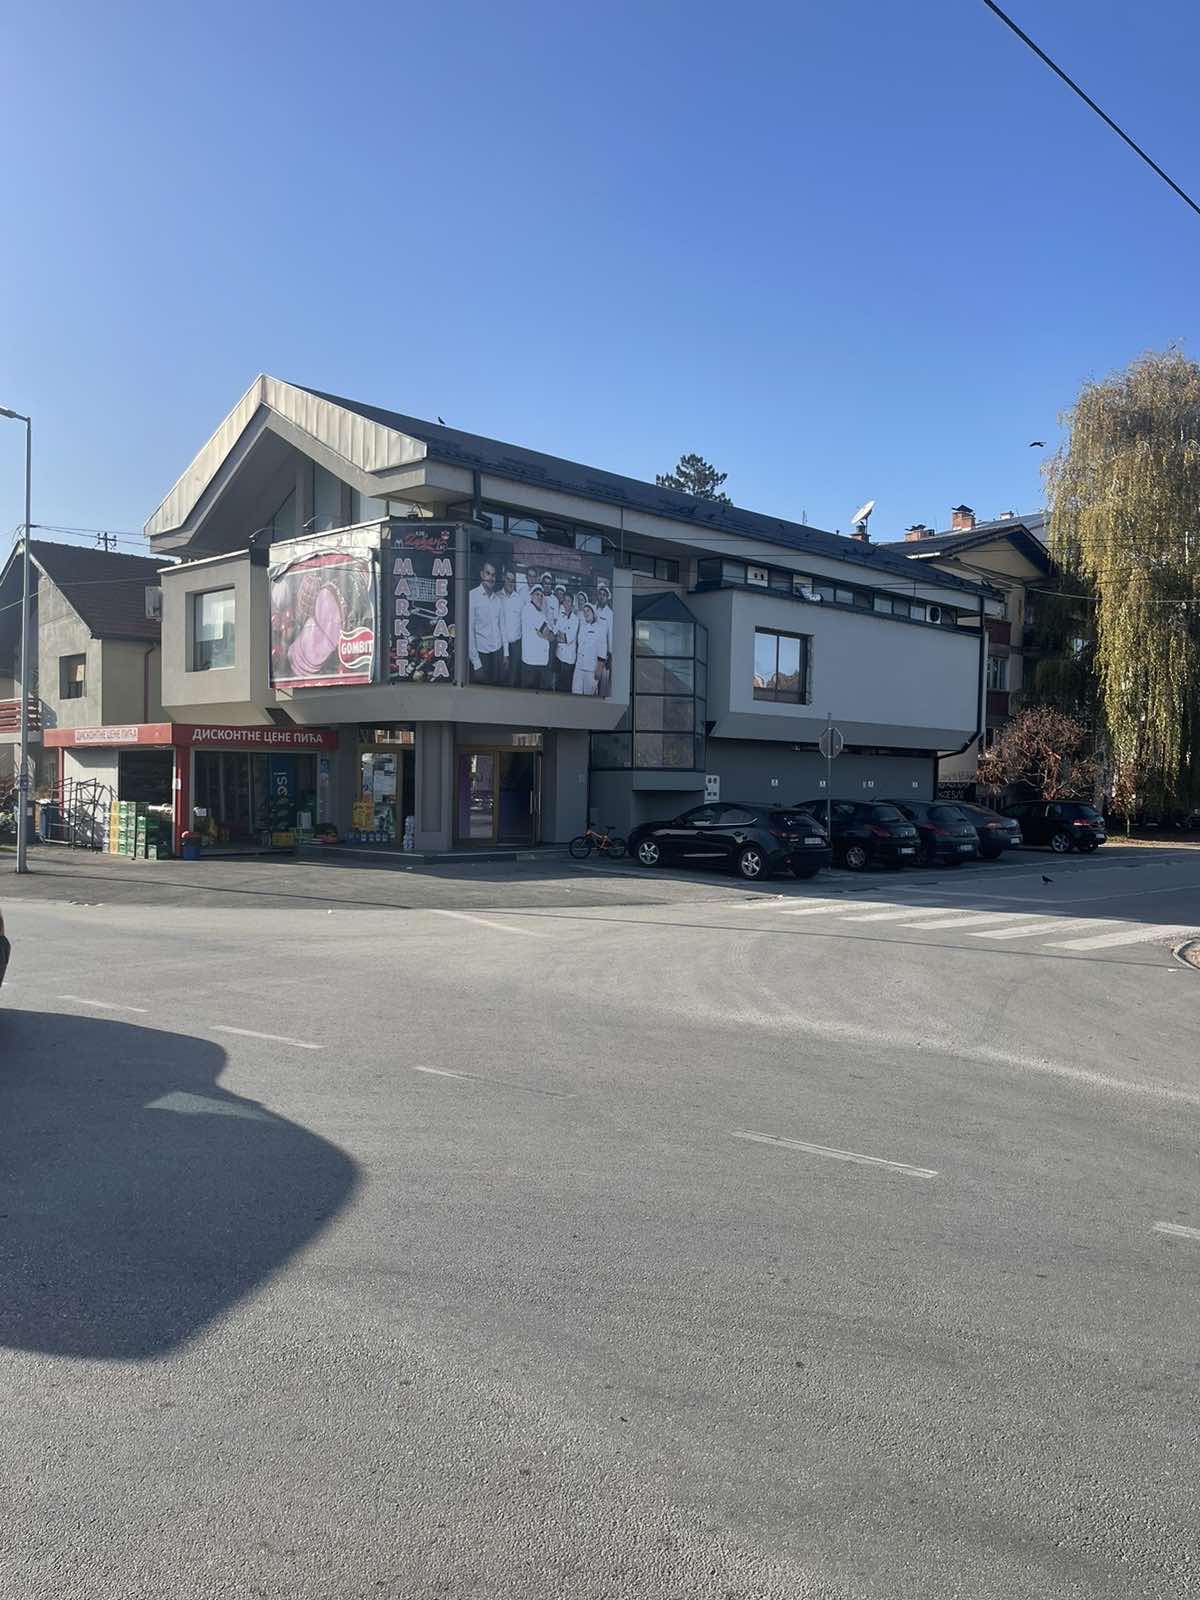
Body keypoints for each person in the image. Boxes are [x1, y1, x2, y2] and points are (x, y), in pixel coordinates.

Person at [468, 561, 503, 683]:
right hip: (482, 656)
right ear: (482, 574)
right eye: (488, 574)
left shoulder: (497, 600)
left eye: (493, 575)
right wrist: (476, 662)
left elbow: (501, 627)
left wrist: (504, 654)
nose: (491, 578)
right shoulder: (472, 596)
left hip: (497, 653)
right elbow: (469, 632)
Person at [520, 584, 555, 689]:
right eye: (537, 594)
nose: (539, 597)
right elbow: (549, 635)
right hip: (532, 663)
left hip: (539, 661)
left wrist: (546, 634)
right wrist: (547, 634)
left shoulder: (540, 612)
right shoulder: (529, 609)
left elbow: (548, 633)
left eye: (541, 595)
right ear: (531, 596)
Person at [572, 603, 606, 696]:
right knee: (575, 693)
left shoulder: (600, 629)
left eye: (588, 611)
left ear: (593, 613)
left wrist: (599, 670)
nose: (586, 613)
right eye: (584, 611)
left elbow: (602, 651)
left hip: (591, 669)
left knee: (589, 696)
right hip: (579, 667)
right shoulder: (582, 627)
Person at [498, 568, 524, 684]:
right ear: (503, 579)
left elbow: (524, 622)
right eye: (508, 579)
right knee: (500, 676)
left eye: (513, 580)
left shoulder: (520, 599)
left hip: (515, 646)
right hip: (499, 645)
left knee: (513, 678)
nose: (510, 583)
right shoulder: (497, 596)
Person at [553, 592, 579, 692]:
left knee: (566, 688)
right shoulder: (561, 616)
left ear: (572, 604)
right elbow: (555, 633)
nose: (566, 603)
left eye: (569, 601)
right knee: (557, 685)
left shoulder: (575, 619)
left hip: (568, 660)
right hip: (558, 656)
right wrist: (560, 635)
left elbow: (567, 639)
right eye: (565, 600)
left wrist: (560, 636)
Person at [593, 582, 614, 698]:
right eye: (600, 594)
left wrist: (610, 654)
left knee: (600, 680)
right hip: (590, 649)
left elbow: (610, 635)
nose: (601, 596)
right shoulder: (592, 609)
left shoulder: (610, 614)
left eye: (604, 595)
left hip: (602, 653)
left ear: (607, 597)